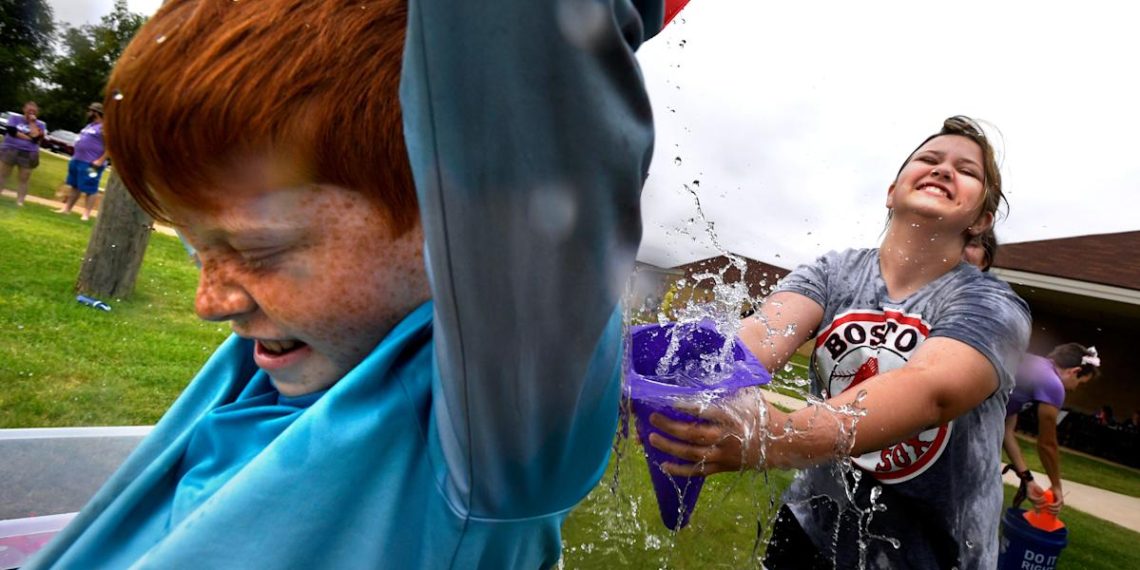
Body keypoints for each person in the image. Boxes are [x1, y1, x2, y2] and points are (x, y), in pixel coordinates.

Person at [28, 0, 669, 567]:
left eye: (258, 249)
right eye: (199, 253)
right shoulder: (283, 362)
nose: (210, 303)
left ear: (462, 217)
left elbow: (512, 40)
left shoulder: (486, 439)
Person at [648, 116, 1031, 568]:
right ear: (892, 191)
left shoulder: (991, 305)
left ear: (982, 219)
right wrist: (677, 384)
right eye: (928, 159)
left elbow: (932, 390)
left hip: (934, 550)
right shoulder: (832, 273)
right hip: (812, 528)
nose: (943, 170)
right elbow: (755, 343)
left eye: (966, 171)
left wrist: (773, 437)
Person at [1002, 343, 1101, 515]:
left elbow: (1005, 431)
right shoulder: (1053, 384)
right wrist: (1056, 486)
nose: (1075, 388)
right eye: (1080, 383)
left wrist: (1028, 480)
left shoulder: (1032, 366)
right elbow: (1047, 444)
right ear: (1075, 371)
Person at [55, 103, 108, 221]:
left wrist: (100, 160)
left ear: (96, 113)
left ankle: (86, 214)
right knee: (75, 186)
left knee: (90, 188)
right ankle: (67, 209)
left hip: (92, 163)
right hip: (78, 159)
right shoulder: (90, 126)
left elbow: (110, 147)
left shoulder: (104, 128)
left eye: (90, 111)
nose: (87, 113)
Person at [1, 101, 47, 206]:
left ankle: (20, 201)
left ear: (37, 112)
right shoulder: (14, 118)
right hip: (10, 149)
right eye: (29, 110)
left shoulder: (40, 124)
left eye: (34, 111)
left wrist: (32, 123)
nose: (31, 112)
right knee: (3, 174)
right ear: (24, 109)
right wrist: (29, 137)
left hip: (28, 153)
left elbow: (36, 138)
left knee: (24, 178)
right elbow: (12, 131)